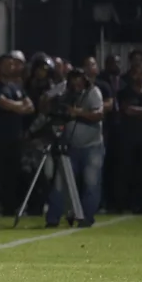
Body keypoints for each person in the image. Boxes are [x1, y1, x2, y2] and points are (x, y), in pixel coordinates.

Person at [45, 68, 104, 228]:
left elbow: (98, 114)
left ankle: (86, 218)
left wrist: (77, 113)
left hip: (92, 146)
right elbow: (48, 104)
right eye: (73, 83)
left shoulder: (93, 92)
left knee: (90, 183)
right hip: (69, 146)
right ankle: (52, 218)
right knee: (60, 183)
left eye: (79, 82)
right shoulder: (66, 93)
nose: (76, 86)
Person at [0, 54, 35, 217]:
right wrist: (19, 107)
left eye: (12, 64)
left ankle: (11, 206)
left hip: (16, 137)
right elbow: (2, 102)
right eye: (6, 64)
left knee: (14, 173)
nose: (10, 67)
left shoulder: (17, 86)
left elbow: (30, 106)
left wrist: (17, 107)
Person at [114, 66, 142, 213]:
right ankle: (122, 205)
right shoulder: (124, 93)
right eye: (136, 74)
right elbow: (126, 110)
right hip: (128, 138)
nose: (139, 77)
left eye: (141, 74)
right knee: (125, 172)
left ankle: (140, 205)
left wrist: (136, 111)